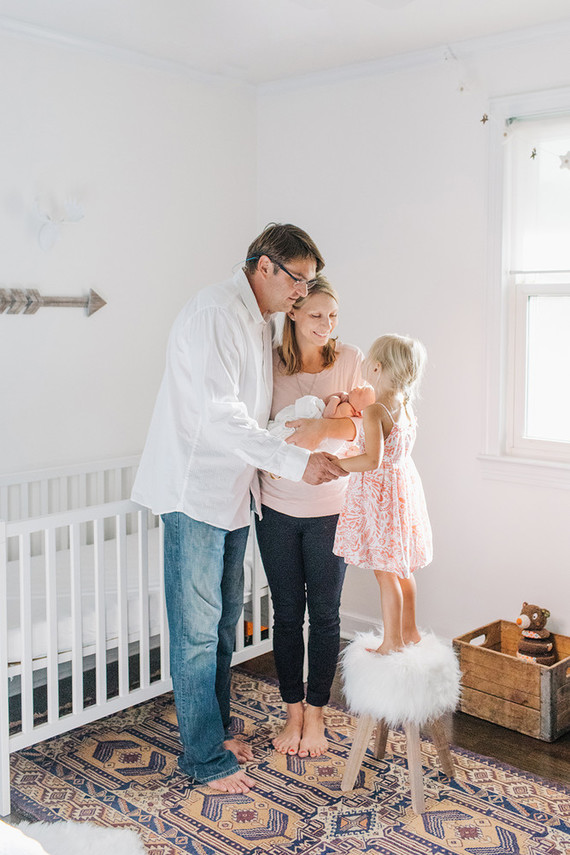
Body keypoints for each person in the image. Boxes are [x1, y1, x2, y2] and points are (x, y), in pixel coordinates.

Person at [131, 224, 347, 796]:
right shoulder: (214, 314)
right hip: (194, 491)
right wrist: (296, 463)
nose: (303, 295)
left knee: (225, 622)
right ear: (265, 267)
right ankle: (203, 758)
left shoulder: (258, 320)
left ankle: (219, 728)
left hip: (231, 493)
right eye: (297, 281)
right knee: (199, 632)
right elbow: (220, 417)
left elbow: (255, 413)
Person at [256, 276, 363, 758]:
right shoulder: (270, 364)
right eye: (317, 315)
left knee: (324, 615)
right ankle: (292, 711)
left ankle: (316, 715)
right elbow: (254, 429)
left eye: (333, 316)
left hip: (330, 511)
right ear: (294, 313)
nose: (327, 325)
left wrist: (324, 425)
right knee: (285, 614)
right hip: (276, 508)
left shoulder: (350, 360)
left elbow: (367, 425)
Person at [333, 334, 433, 655]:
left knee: (386, 572)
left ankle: (391, 642)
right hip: (402, 490)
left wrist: (339, 463)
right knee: (402, 568)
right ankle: (410, 631)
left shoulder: (377, 411)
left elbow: (371, 460)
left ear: (376, 367)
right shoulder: (403, 404)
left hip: (381, 498)